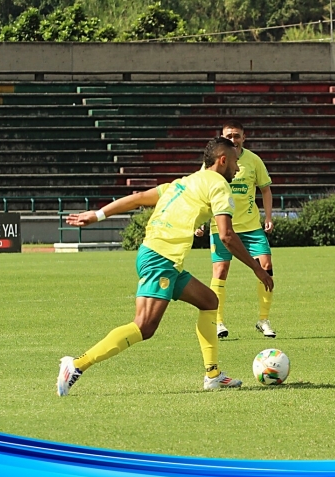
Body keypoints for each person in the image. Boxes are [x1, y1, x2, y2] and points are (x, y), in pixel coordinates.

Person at [56, 137, 274, 397]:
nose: (238, 169)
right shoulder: (218, 186)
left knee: (209, 301)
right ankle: (77, 364)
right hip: (161, 258)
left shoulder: (183, 182)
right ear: (223, 160)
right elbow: (226, 236)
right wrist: (256, 268)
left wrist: (98, 214)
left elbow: (138, 198)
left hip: (161, 256)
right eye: (235, 162)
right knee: (144, 327)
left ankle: (213, 375)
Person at [196, 121, 276, 338]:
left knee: (266, 265)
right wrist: (199, 222)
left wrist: (268, 217)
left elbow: (265, 190)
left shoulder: (253, 160)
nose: (233, 139)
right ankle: (218, 321)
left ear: (244, 137)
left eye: (237, 136)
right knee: (220, 271)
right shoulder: (212, 162)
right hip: (221, 226)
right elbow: (202, 192)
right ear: (222, 137)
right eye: (229, 136)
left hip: (250, 226)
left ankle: (264, 320)